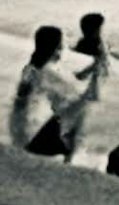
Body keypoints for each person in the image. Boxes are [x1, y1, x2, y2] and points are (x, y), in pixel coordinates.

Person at [12, 26, 96, 160]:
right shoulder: (48, 72)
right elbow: (79, 96)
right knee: (81, 107)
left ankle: (72, 153)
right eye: (61, 46)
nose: (63, 50)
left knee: (68, 107)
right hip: (33, 139)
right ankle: (73, 156)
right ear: (57, 48)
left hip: (20, 135)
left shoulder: (31, 68)